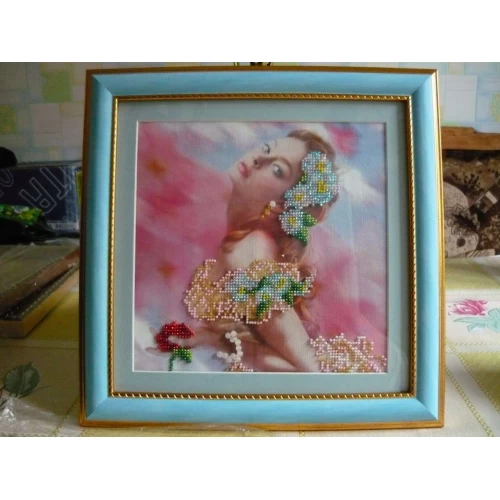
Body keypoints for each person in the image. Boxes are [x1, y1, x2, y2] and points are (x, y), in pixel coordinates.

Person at [146, 129, 342, 372]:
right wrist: (207, 338)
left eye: (277, 169)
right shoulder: (235, 235)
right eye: (267, 148)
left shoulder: (251, 252)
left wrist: (219, 342)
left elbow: (312, 369)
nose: (259, 158)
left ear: (285, 204)